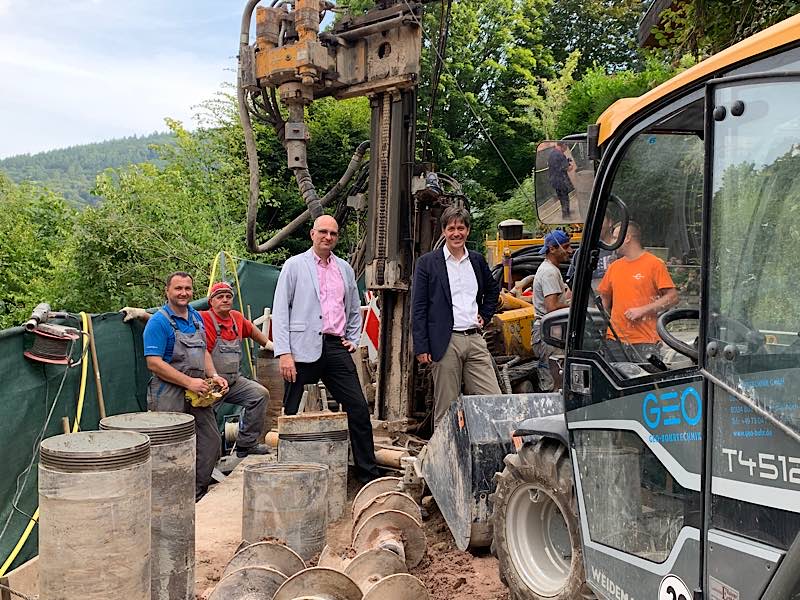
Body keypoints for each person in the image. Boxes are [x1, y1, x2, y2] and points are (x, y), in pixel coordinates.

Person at [272, 215, 381, 484]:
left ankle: (367, 474)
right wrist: (284, 353)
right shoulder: (294, 266)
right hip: (300, 349)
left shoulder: (344, 269)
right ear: (312, 234)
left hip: (334, 346)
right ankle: (286, 470)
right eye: (323, 232)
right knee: (292, 411)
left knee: (357, 408)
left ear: (337, 237)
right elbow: (280, 310)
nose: (328, 237)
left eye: (333, 233)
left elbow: (354, 309)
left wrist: (353, 338)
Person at [412, 206, 502, 427]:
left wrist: (485, 314)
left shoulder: (477, 260)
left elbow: (492, 290)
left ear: (468, 231)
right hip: (445, 342)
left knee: (495, 400)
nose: (456, 233)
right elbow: (419, 306)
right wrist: (422, 347)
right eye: (451, 228)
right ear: (443, 231)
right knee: (447, 407)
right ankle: (443, 458)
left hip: (474, 339)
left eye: (460, 228)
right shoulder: (428, 263)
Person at [142, 272, 229, 501]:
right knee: (170, 448)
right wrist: (189, 381)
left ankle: (196, 494)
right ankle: (168, 499)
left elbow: (203, 351)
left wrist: (214, 375)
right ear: (167, 291)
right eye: (178, 288)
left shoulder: (196, 318)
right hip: (168, 393)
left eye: (187, 289)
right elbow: (154, 363)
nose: (183, 293)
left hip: (199, 392)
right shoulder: (158, 322)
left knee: (210, 442)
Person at [201, 281, 271, 458]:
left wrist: (270, 345)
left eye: (228, 296)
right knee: (204, 421)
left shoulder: (236, 318)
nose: (225, 299)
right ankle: (207, 458)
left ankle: (246, 444)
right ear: (211, 301)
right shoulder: (202, 318)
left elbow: (253, 331)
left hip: (233, 381)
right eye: (220, 297)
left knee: (259, 395)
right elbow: (173, 320)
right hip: (210, 384)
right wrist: (144, 315)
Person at [597, 221, 679, 362]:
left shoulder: (654, 264)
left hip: (645, 341)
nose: (612, 242)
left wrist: (643, 310)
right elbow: (604, 300)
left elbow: (672, 297)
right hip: (614, 340)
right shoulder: (614, 267)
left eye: (616, 237)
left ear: (627, 238)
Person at [532, 230, 573, 390]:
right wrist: (575, 306)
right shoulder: (549, 273)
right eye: (566, 247)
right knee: (554, 386)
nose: (570, 251)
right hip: (549, 334)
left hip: (551, 332)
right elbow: (552, 307)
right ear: (552, 248)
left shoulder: (551, 270)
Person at [565, 216, 615, 288]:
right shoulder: (582, 253)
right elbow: (573, 286)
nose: (595, 225)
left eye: (599, 220)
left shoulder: (620, 249)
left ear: (610, 222)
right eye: (592, 222)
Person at [548, 142, 575, 220]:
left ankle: (566, 211)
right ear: (563, 145)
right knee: (564, 197)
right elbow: (567, 168)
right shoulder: (560, 155)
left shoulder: (552, 153)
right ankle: (566, 215)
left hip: (554, 179)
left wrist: (566, 161)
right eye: (566, 146)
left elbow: (558, 164)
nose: (566, 149)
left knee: (561, 196)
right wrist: (571, 165)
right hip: (560, 179)